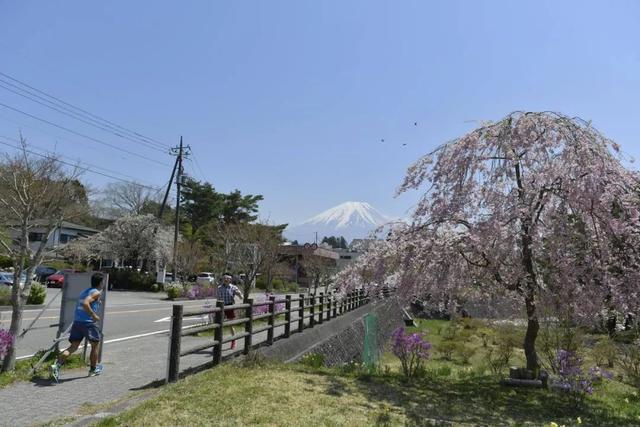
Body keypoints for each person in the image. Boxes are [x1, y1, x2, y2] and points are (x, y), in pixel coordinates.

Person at [50, 273, 105, 381]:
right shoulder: (96, 293)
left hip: (77, 322)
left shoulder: (85, 291)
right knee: (95, 346)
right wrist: (94, 315)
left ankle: (56, 365)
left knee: (73, 347)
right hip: (88, 323)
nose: (103, 284)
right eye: (102, 282)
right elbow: (85, 303)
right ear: (100, 282)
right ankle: (93, 369)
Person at [218, 273, 243, 349]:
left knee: (230, 325)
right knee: (219, 326)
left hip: (230, 306)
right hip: (221, 307)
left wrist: (239, 294)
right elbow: (217, 298)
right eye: (224, 278)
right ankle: (218, 343)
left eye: (227, 278)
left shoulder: (233, 287)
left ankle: (233, 341)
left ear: (230, 279)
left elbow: (241, 297)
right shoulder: (219, 288)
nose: (225, 279)